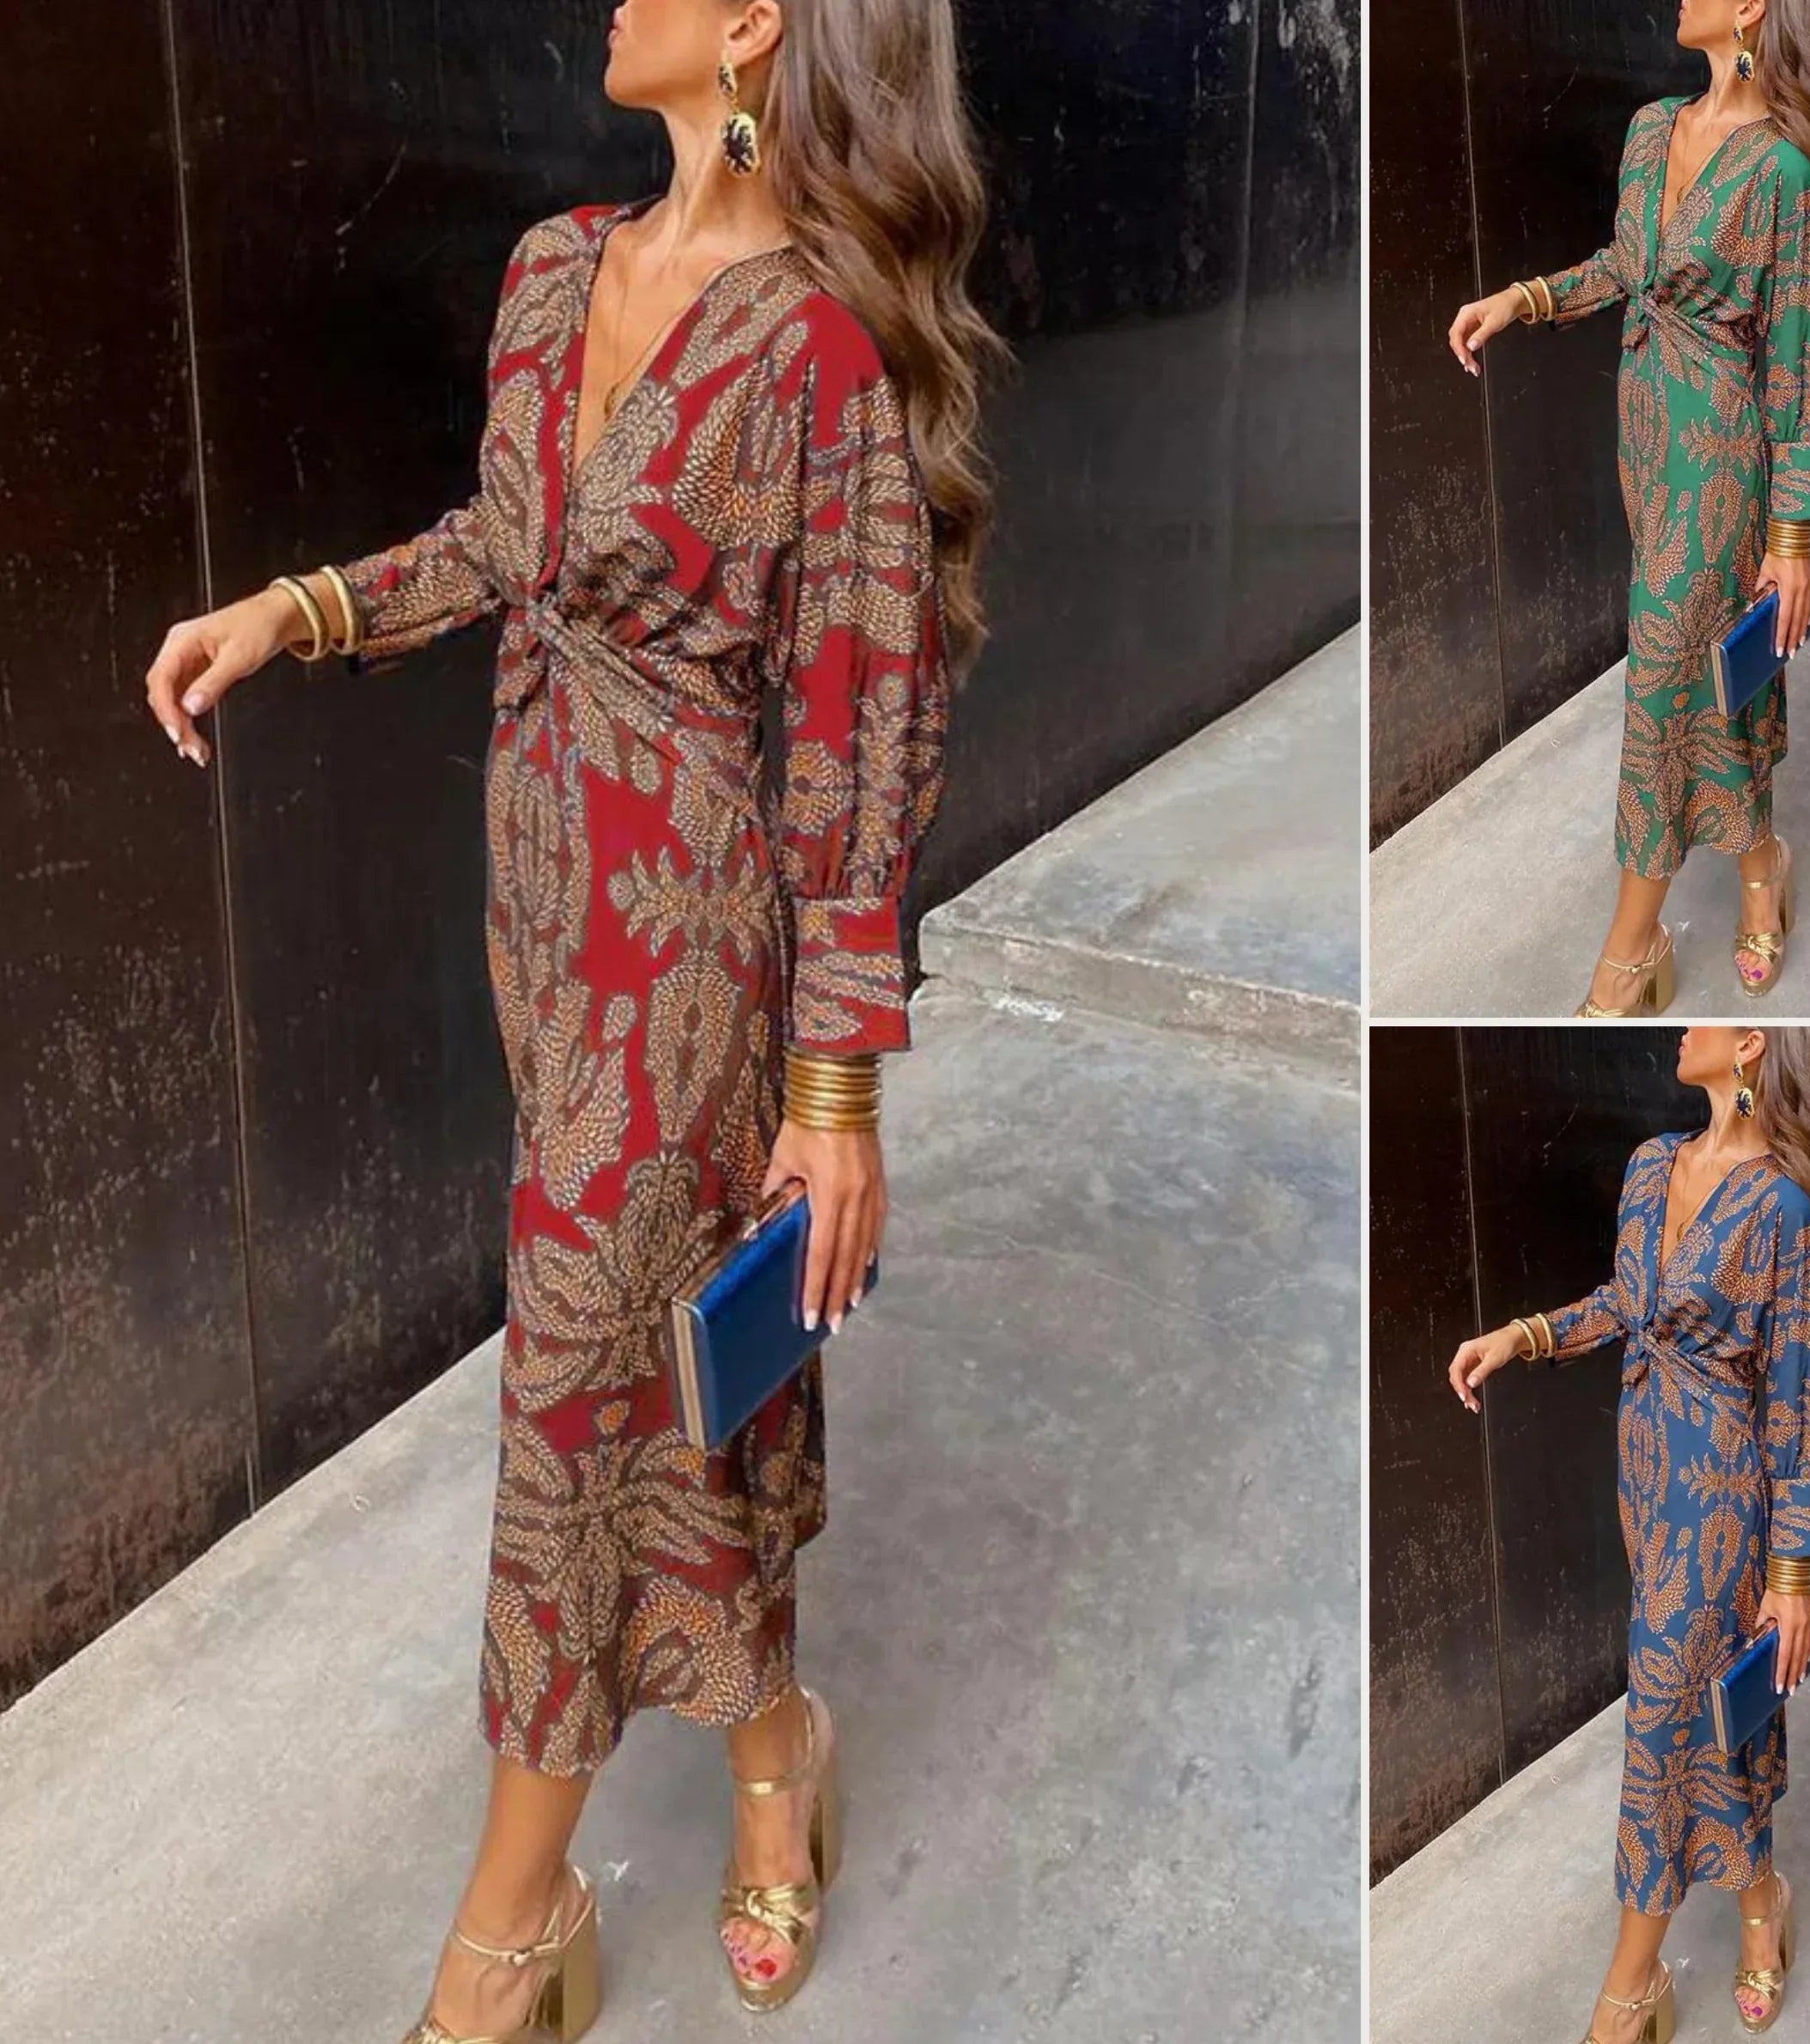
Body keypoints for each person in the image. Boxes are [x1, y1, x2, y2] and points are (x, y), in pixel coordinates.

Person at [139, 2, 1003, 2035]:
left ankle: (509, 1932)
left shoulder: (820, 350)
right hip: (541, 905)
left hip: (694, 946)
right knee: (661, 1390)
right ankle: (777, 1745)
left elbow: (861, 719)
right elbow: (505, 551)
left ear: (756, 25)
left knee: (566, 1393)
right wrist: (296, 610)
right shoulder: (553, 271)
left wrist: (834, 1086)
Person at [1446, 0, 1810, 1015]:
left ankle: (1629, 955)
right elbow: (1626, 268)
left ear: (1752, 8)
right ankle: (1762, 863)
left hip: (1720, 457)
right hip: (1645, 439)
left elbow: (1803, 354)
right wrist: (1523, 298)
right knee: (1705, 675)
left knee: (1657, 680)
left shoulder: (1781, 172)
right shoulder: (1651, 130)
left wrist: (1791, 538)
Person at [1447, 1025, 1810, 2041]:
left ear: (1750, 1046)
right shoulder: (1651, 1165)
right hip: (1645, 1477)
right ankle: (1762, 1902)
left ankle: (1629, 1989)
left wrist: (1791, 1576)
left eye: (1705, 1019)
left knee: (1659, 1723)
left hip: (1721, 1497)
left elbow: (1803, 1394)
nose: (1683, 1031)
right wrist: (1524, 1334)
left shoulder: (1781, 1208)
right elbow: (1627, 1303)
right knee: (1708, 1718)